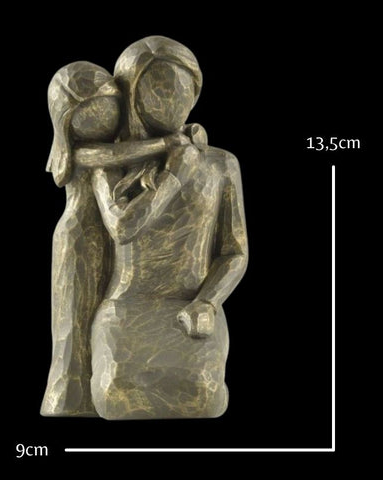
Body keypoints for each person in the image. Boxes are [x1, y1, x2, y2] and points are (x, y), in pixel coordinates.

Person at [90, 36, 249, 419]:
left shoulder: (221, 164)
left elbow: (235, 251)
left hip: (190, 307)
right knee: (114, 399)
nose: (174, 101)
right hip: (126, 308)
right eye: (159, 91)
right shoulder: (109, 165)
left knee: (205, 398)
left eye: (183, 91)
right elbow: (123, 228)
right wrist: (174, 174)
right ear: (133, 96)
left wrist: (208, 302)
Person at [40, 61, 188, 416]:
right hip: (79, 241)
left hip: (108, 237)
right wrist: (168, 143)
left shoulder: (117, 146)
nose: (104, 120)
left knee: (99, 321)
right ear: (67, 122)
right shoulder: (86, 153)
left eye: (110, 108)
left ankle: (98, 390)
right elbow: (112, 155)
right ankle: (69, 400)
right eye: (91, 114)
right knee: (74, 323)